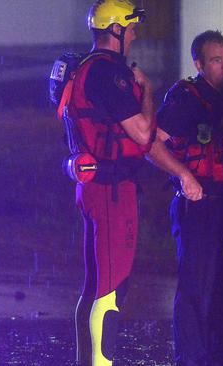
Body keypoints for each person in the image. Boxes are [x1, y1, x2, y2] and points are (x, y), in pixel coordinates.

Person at [149, 30, 223, 366]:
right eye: (216, 60)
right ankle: (190, 359)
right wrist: (183, 175)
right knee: (197, 287)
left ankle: (221, 356)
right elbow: (152, 145)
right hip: (199, 205)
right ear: (199, 64)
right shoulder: (184, 97)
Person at [56, 1, 153, 365]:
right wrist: (148, 93)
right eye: (131, 28)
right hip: (112, 188)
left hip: (92, 185)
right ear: (116, 31)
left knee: (95, 286)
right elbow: (142, 132)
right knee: (112, 290)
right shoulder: (106, 73)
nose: (136, 33)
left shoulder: (84, 67)